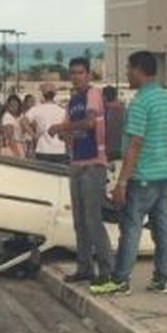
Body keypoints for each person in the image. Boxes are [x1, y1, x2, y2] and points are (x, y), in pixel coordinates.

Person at [91, 51, 167, 296]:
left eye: (129, 69)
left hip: (143, 175)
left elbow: (134, 145)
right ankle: (162, 279)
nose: (127, 74)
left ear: (139, 70)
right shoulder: (166, 100)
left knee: (131, 228)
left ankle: (120, 280)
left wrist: (122, 182)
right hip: (164, 173)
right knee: (163, 228)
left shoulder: (140, 102)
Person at [48, 57, 113, 285]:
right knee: (80, 221)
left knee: (93, 219)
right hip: (77, 162)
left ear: (88, 74)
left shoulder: (93, 95)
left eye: (80, 72)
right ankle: (85, 267)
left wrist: (62, 127)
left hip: (94, 163)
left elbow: (89, 123)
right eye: (73, 73)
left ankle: (106, 269)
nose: (76, 76)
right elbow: (72, 130)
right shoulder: (73, 101)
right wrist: (64, 133)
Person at [24, 82, 68, 164]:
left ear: (43, 94)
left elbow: (23, 121)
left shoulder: (36, 109)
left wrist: (34, 135)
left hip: (42, 148)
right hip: (59, 149)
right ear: (54, 94)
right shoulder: (62, 110)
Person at [102, 86, 125, 162]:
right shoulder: (125, 110)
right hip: (123, 150)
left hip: (108, 151)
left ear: (104, 97)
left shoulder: (104, 112)